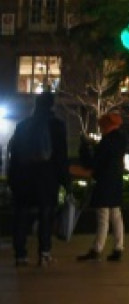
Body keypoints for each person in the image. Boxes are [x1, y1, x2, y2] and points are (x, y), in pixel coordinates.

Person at [6, 90, 70, 267]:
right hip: (47, 178)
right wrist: (66, 182)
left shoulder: (23, 125)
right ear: (52, 105)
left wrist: (12, 180)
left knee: (20, 216)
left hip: (23, 178)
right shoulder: (57, 126)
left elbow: (15, 154)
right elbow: (61, 157)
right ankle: (44, 254)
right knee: (46, 216)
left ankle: (20, 255)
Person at [76, 111, 129, 263]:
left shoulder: (106, 142)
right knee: (116, 215)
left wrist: (85, 148)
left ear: (106, 125)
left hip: (104, 181)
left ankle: (97, 248)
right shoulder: (121, 140)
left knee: (103, 217)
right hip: (115, 180)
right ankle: (118, 248)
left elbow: (95, 163)